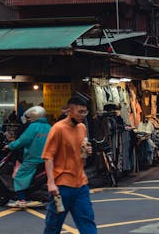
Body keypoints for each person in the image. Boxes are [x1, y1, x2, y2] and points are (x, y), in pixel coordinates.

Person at [41, 96, 96, 234]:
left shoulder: (82, 128)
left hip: (81, 184)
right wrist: (51, 183)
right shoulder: (58, 128)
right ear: (69, 110)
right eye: (80, 112)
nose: (83, 115)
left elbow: (81, 151)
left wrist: (88, 151)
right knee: (53, 226)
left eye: (85, 112)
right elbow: (48, 157)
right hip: (62, 186)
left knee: (87, 222)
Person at [5, 106, 51, 208]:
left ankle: (21, 200)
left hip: (33, 158)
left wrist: (10, 145)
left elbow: (23, 140)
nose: (28, 120)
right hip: (48, 159)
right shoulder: (49, 127)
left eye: (29, 117)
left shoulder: (33, 126)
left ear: (34, 116)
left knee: (20, 176)